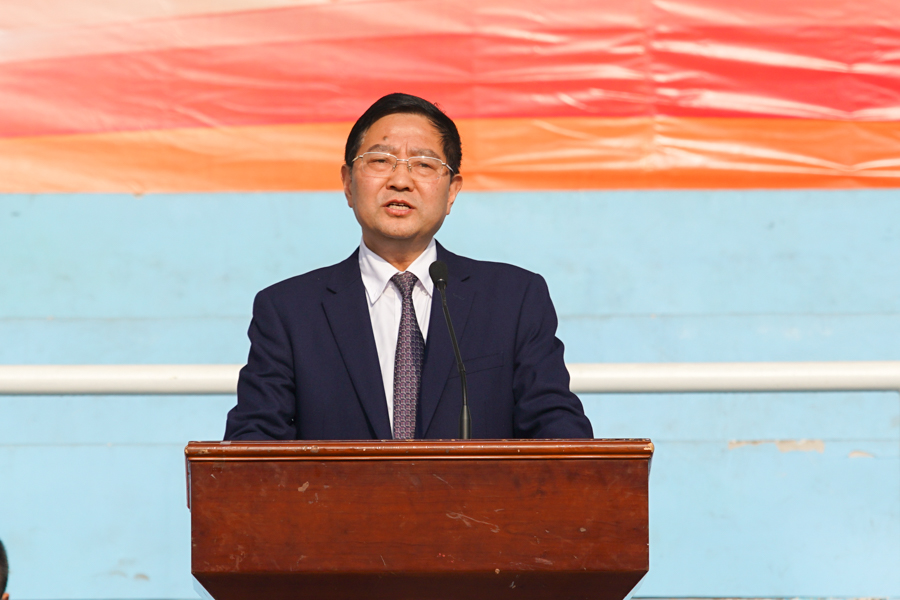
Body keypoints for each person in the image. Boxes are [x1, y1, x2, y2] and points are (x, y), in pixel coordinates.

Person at [224, 93, 592, 440]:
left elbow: (558, 430)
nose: (400, 181)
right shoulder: (289, 311)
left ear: (452, 191)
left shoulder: (513, 299)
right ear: (348, 183)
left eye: (424, 165)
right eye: (380, 161)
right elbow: (252, 444)